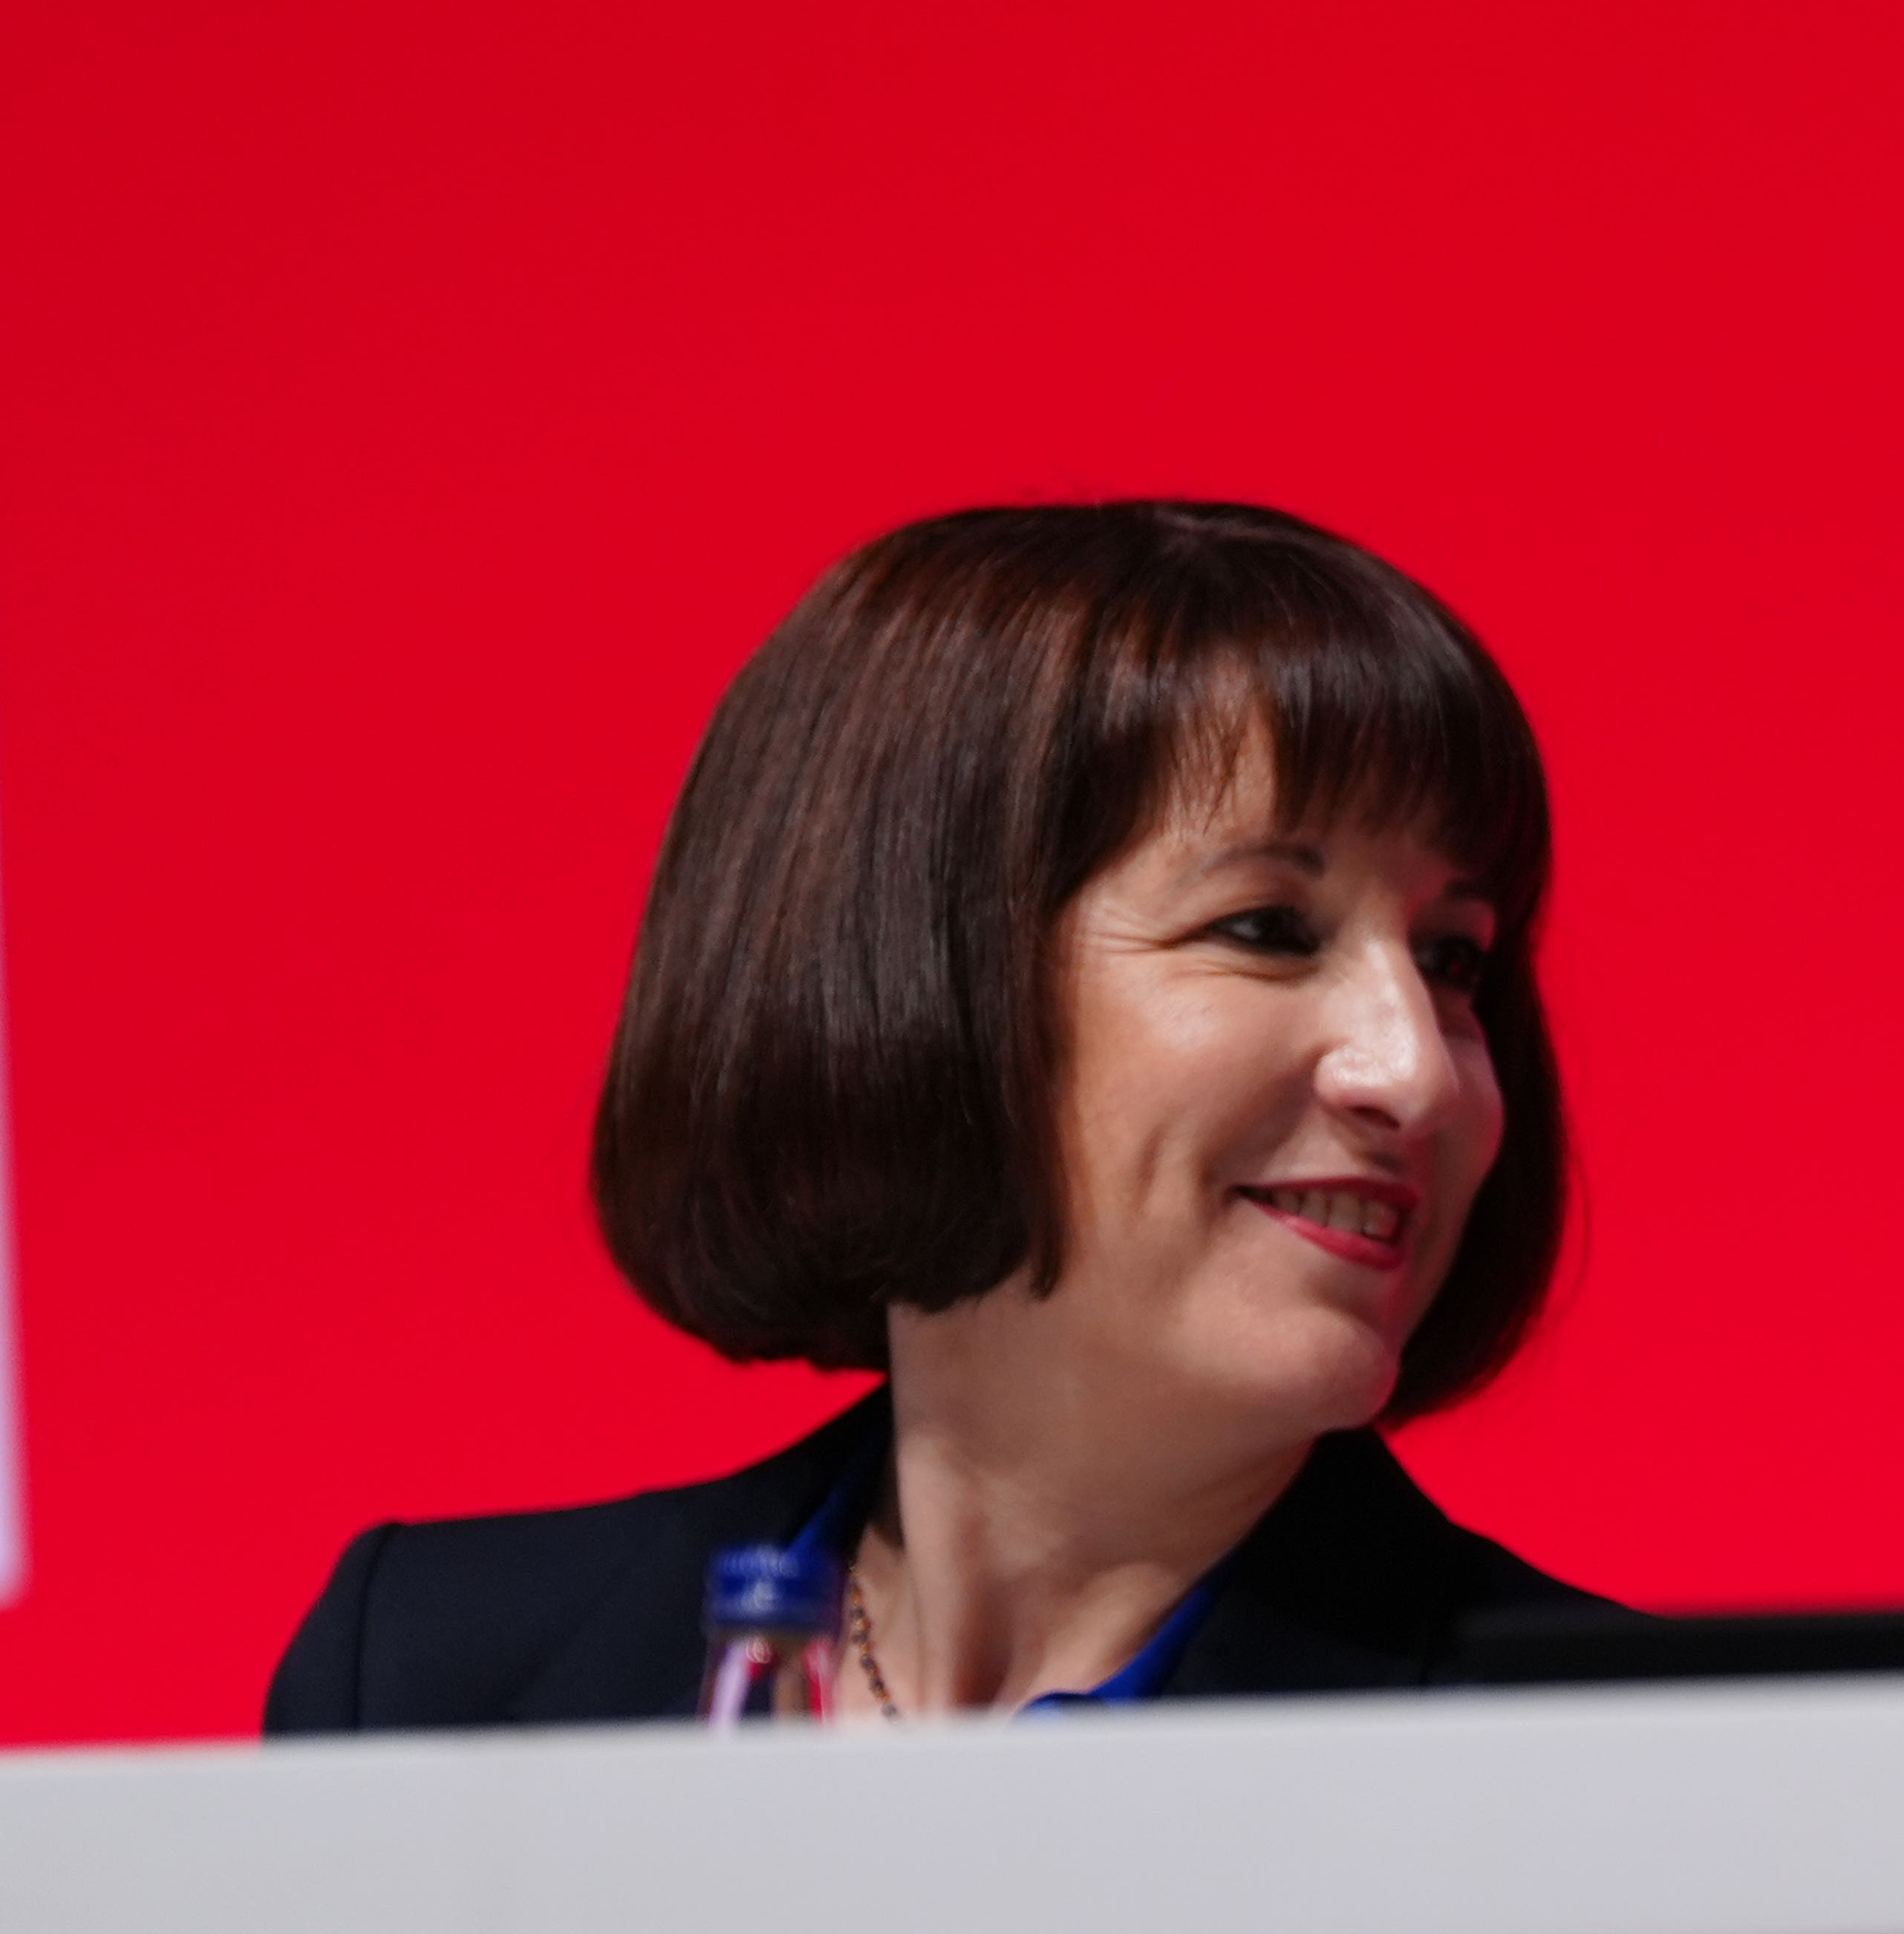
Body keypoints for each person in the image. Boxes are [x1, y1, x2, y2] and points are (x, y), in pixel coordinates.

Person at [268, 500, 1617, 1729]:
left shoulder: (1618, 1766)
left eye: (1453, 960)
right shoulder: (429, 1680)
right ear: (915, 972)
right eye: (1268, 929)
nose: (1422, 1072)